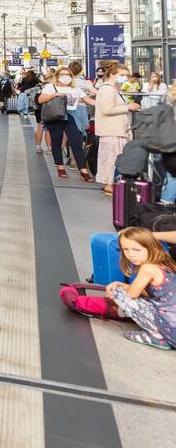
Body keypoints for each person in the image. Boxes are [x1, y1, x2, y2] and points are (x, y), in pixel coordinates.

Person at [107, 227, 176, 350]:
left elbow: (132, 294)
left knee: (116, 291)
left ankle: (156, 336)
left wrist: (120, 288)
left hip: (171, 330)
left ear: (152, 248)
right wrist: (122, 284)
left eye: (136, 250)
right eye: (126, 250)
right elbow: (150, 293)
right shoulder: (164, 265)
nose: (130, 254)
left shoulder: (147, 268)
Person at [39, 67, 94, 182]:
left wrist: (104, 104)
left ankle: (83, 170)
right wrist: (55, 95)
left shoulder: (75, 89)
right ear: (57, 76)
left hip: (71, 116)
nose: (66, 77)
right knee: (57, 141)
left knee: (76, 142)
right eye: (63, 74)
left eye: (68, 74)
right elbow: (41, 100)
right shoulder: (50, 87)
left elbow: (88, 100)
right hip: (55, 116)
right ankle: (60, 166)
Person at [94, 61, 141, 196]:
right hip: (112, 131)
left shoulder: (114, 89)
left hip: (116, 130)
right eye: (122, 75)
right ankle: (109, 184)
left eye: (126, 75)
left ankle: (110, 183)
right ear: (112, 74)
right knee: (112, 159)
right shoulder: (107, 89)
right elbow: (107, 109)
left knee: (112, 158)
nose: (125, 77)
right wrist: (128, 107)